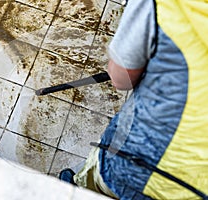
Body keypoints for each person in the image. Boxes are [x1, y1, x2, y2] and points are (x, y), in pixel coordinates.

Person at [59, 0, 208, 199]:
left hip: (135, 165)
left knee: (96, 181)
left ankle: (74, 189)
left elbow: (121, 79)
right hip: (195, 191)